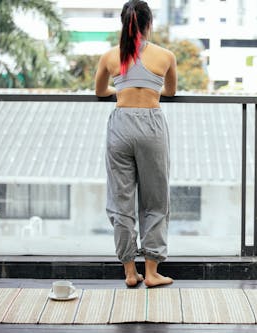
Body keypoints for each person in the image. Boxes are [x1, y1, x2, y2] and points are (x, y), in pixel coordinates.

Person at [95, 0, 177, 287]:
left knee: (121, 199)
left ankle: (130, 272)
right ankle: (152, 272)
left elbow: (99, 90)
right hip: (152, 124)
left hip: (121, 124)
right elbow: (170, 90)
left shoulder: (109, 56)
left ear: (123, 23)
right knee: (155, 199)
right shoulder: (165, 55)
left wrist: (121, 90)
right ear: (149, 23)